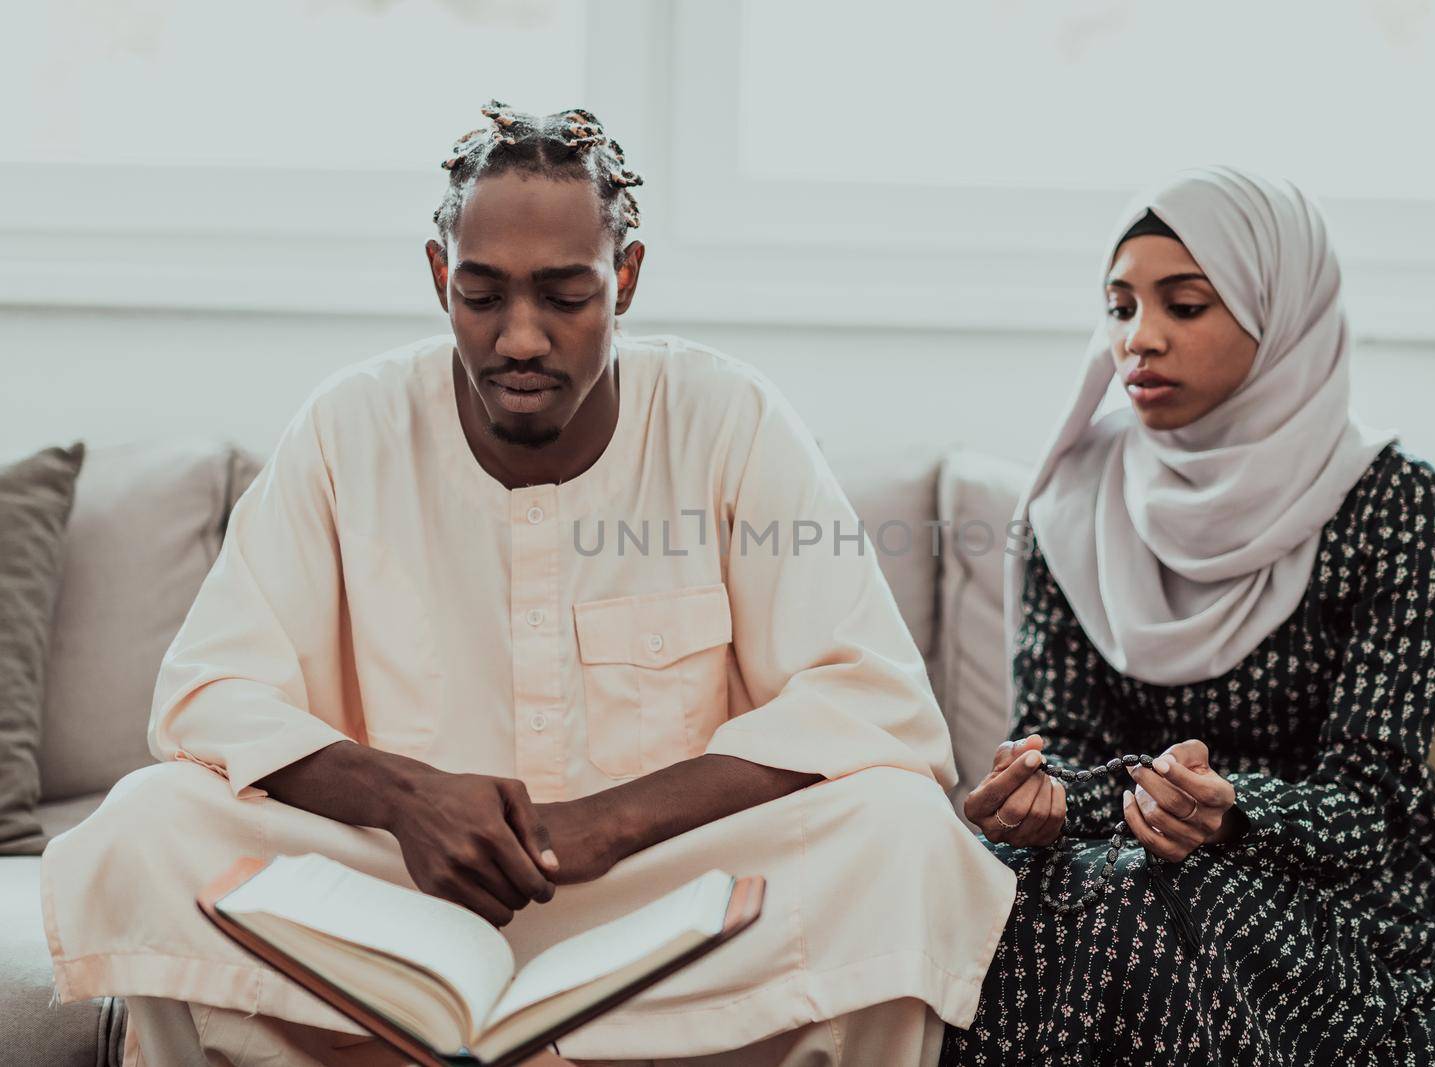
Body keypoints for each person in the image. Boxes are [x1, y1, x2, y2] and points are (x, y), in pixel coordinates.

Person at [41, 102, 1016, 1067]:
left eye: (563, 295)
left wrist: (614, 821)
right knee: (147, 822)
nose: (518, 337)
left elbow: (871, 700)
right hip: (398, 902)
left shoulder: (727, 417)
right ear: (438, 278)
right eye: (483, 293)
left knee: (900, 830)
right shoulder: (351, 425)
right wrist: (406, 798)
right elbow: (209, 697)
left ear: (624, 278)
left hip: (663, 903)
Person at [940, 167, 1435, 1065]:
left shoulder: (1394, 501)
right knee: (1008, 896)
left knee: (1157, 906)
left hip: (1326, 872)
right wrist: (1043, 803)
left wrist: (1233, 813)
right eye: (1119, 308)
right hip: (1122, 857)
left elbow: (1371, 797)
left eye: (1184, 305)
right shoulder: (1072, 503)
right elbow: (1067, 744)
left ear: (1282, 315)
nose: (1138, 340)